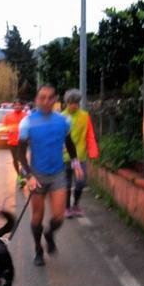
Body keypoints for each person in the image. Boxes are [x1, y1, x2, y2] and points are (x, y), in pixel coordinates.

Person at [17, 85, 83, 266]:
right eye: (42, 97)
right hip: (37, 175)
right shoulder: (27, 122)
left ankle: (49, 234)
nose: (46, 101)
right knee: (37, 216)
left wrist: (76, 163)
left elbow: (69, 143)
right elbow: (20, 153)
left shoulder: (64, 121)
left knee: (59, 217)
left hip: (57, 174)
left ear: (55, 100)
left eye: (49, 97)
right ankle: (38, 249)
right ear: (37, 100)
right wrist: (28, 176)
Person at [62, 89, 100, 218]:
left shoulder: (85, 116)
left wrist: (93, 151)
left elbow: (90, 134)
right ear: (66, 103)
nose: (74, 105)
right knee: (67, 183)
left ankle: (76, 205)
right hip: (65, 156)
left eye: (76, 102)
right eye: (71, 102)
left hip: (80, 156)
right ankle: (67, 208)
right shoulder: (61, 117)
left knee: (80, 182)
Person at [2, 98, 27, 187]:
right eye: (15, 105)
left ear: (22, 106)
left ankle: (23, 175)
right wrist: (8, 130)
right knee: (15, 159)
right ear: (13, 106)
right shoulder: (8, 116)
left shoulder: (26, 116)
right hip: (12, 142)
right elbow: (4, 127)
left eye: (19, 105)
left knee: (22, 159)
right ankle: (19, 175)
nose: (17, 106)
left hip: (22, 141)